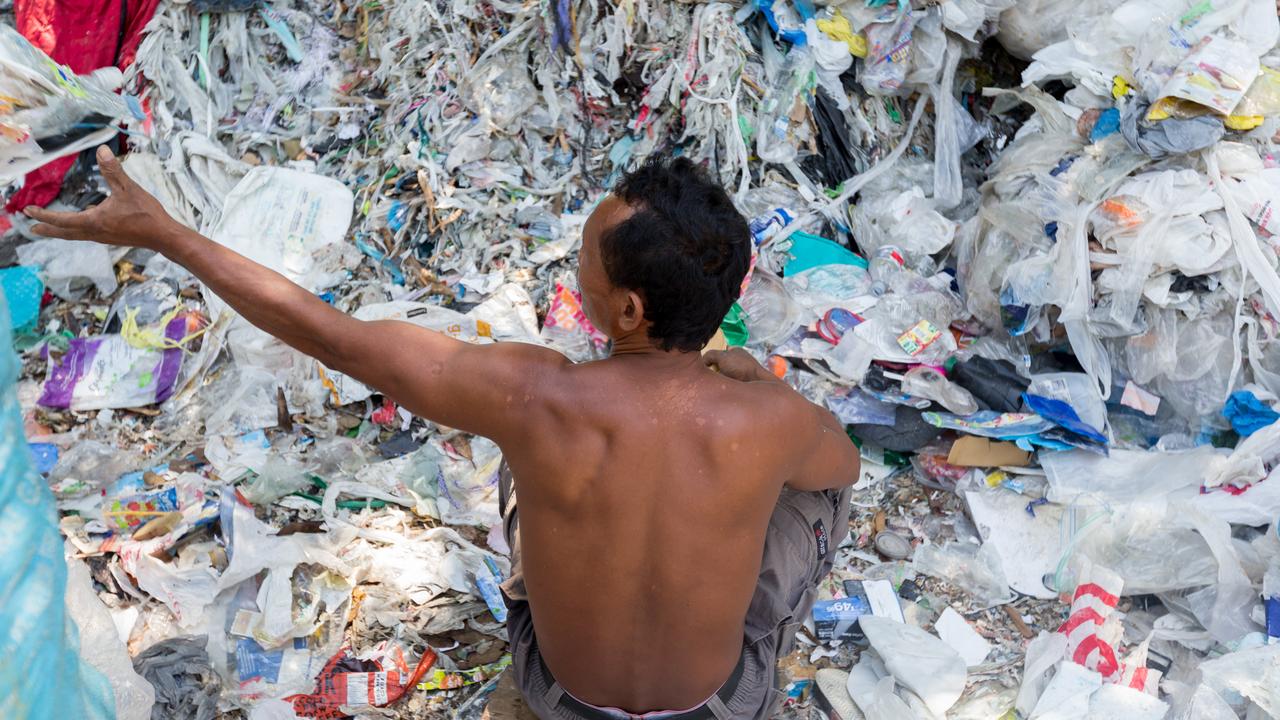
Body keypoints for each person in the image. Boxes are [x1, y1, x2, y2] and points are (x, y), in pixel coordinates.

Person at [26, 149, 859, 719]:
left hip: (558, 694)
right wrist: (753, 381)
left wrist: (166, 234)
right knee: (817, 495)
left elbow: (325, 331)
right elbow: (844, 461)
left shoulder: (532, 397)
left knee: (523, 469)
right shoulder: (770, 419)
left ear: (629, 311)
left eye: (585, 266)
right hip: (716, 702)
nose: (576, 273)